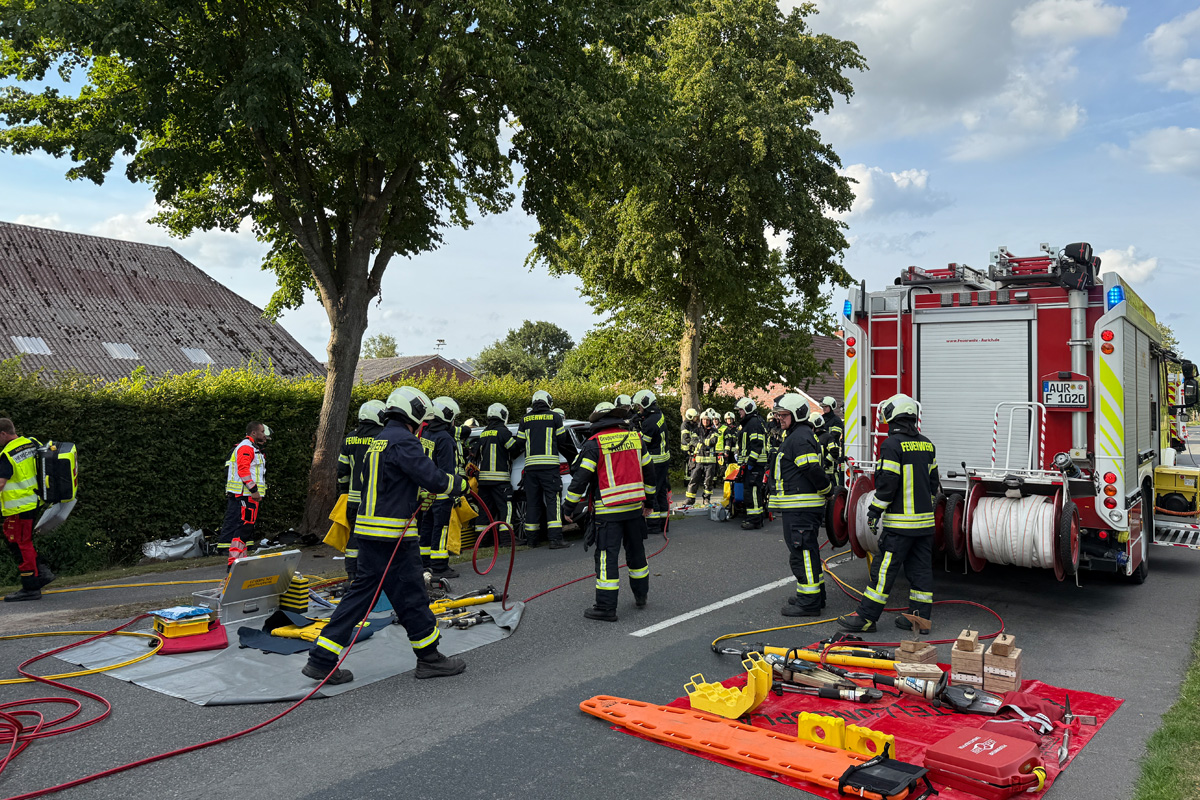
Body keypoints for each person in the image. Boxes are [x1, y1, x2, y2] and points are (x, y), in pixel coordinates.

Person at [302, 387, 469, 684]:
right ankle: (429, 659)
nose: (423, 426)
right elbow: (432, 477)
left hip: (368, 534)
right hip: (393, 537)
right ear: (414, 414)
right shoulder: (405, 441)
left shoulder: (378, 442)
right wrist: (460, 485)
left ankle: (321, 659)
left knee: (362, 597)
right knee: (413, 597)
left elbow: (387, 485)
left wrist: (416, 497)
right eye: (422, 420)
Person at [838, 394, 939, 634]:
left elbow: (887, 485)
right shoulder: (927, 444)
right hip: (924, 525)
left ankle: (866, 618)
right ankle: (919, 621)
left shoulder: (891, 445)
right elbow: (933, 484)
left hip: (900, 526)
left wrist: (873, 511)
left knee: (883, 572)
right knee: (921, 572)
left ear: (894, 415)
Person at [562, 402, 652, 621]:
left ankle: (605, 607)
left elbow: (580, 479)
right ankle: (641, 596)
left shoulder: (594, 444)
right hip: (633, 510)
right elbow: (649, 473)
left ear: (597, 422)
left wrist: (568, 507)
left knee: (606, 558)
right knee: (637, 555)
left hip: (608, 513)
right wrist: (649, 502)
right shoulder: (635, 439)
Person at [768, 396, 831, 617]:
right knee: (807, 552)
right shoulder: (799, 436)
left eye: (784, 415)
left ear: (797, 415)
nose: (779, 418)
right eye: (779, 415)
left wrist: (827, 490)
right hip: (799, 507)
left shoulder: (799, 438)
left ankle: (809, 602)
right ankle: (815, 595)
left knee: (802, 553)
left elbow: (812, 469)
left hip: (801, 507)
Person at [0, 419, 54, 602]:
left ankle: (31, 586)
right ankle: (42, 573)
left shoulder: (7, 454)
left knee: (22, 545)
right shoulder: (32, 442)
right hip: (34, 502)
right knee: (20, 542)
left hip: (18, 508)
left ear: (3, 434)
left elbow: (1, 483)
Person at [516, 390, 572, 549]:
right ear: (548, 401)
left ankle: (532, 540)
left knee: (533, 502)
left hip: (531, 469)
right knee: (553, 502)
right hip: (549, 469)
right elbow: (562, 440)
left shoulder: (525, 419)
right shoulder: (555, 417)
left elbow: (520, 443)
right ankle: (555, 539)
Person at [337, 400, 386, 582]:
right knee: (376, 536)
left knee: (355, 537)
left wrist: (345, 489)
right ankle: (373, 573)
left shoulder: (350, 438)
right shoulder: (382, 437)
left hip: (353, 500)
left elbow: (342, 469)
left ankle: (352, 573)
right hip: (376, 500)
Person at [418, 396, 461, 577]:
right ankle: (439, 566)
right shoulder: (444, 438)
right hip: (442, 494)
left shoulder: (427, 434)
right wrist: (455, 491)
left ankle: (424, 563)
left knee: (426, 528)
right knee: (441, 529)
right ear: (447, 417)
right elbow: (447, 471)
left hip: (427, 492)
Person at [219, 422, 271, 556]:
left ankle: (240, 549)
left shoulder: (254, 448)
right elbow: (243, 471)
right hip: (243, 493)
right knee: (239, 522)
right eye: (262, 432)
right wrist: (254, 490)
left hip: (247, 493)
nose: (264, 436)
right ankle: (231, 551)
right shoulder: (246, 448)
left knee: (245, 523)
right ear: (253, 433)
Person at [476, 403, 519, 532]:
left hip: (483, 482)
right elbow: (514, 450)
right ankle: (506, 540)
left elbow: (476, 453)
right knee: (506, 508)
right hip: (500, 481)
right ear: (503, 415)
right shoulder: (503, 432)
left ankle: (482, 541)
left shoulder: (483, 433)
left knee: (484, 511)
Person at [633, 389, 670, 533]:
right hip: (663, 459)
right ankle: (664, 523)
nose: (639, 409)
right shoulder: (658, 415)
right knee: (661, 491)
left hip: (655, 461)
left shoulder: (649, 423)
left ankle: (653, 525)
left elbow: (642, 444)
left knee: (652, 492)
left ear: (646, 404)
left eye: (640, 407)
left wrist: (635, 428)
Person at [736, 398, 768, 530]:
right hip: (752, 464)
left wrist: (750, 462)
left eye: (741, 410)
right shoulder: (751, 422)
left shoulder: (753, 423)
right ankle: (757, 518)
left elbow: (757, 445)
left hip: (754, 464)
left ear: (748, 409)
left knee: (752, 491)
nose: (739, 413)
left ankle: (754, 520)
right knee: (753, 491)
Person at [685, 410, 720, 507]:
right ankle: (690, 500)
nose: (705, 422)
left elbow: (713, 441)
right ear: (701, 420)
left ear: (710, 421)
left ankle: (706, 499)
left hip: (710, 462)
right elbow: (694, 441)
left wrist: (701, 443)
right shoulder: (696, 430)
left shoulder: (714, 431)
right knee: (693, 480)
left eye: (707, 420)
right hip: (698, 461)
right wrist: (704, 443)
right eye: (704, 420)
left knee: (708, 482)